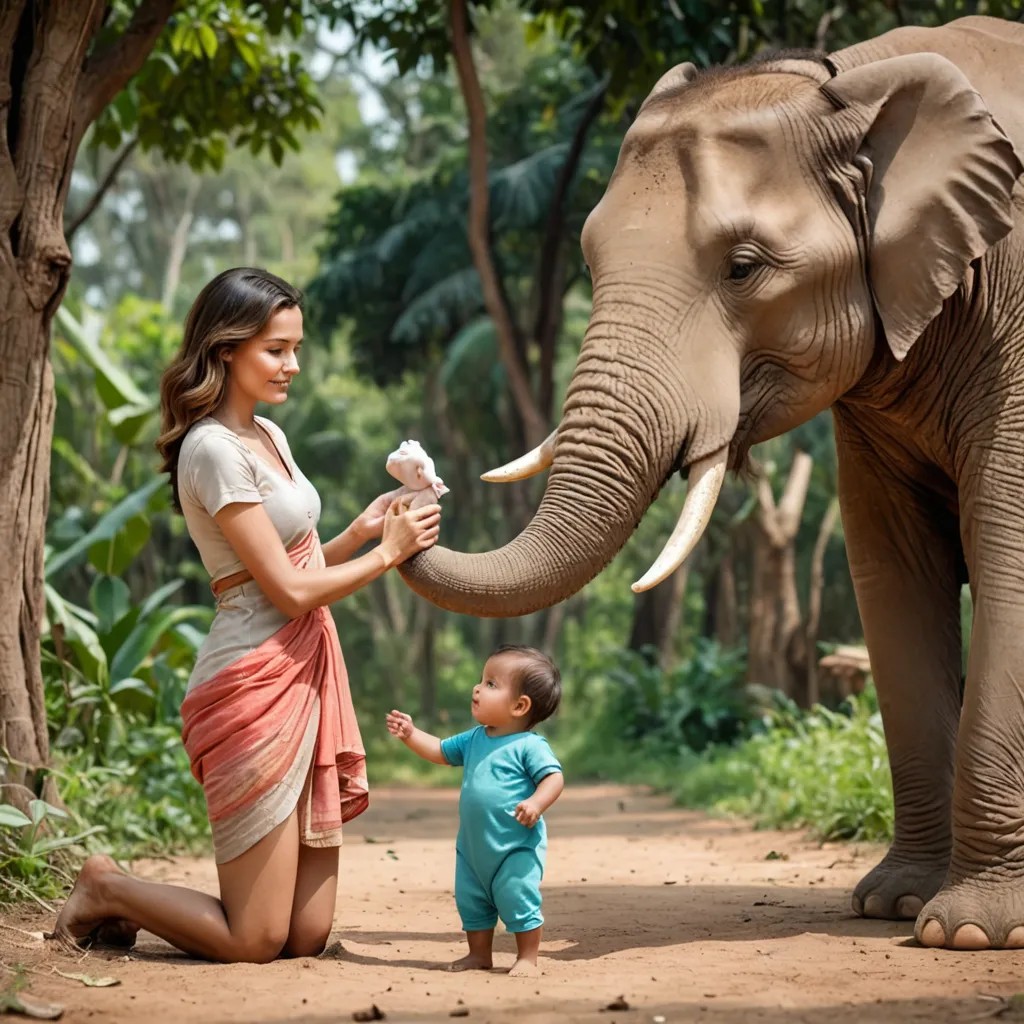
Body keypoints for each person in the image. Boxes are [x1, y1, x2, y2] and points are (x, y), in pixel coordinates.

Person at [51, 267, 441, 963]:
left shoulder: (269, 435)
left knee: (305, 935)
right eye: (275, 349)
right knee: (255, 939)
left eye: (296, 348)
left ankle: (121, 891)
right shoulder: (211, 450)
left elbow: (292, 563)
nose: (293, 364)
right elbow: (287, 594)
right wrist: (387, 555)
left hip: (305, 675)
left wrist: (358, 532)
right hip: (251, 682)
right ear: (226, 349)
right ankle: (106, 886)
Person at [386, 644, 564, 977]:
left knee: (517, 895)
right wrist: (411, 734)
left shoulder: (530, 746)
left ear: (519, 705)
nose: (477, 688)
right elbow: (439, 750)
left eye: (491, 684)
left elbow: (554, 778)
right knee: (471, 900)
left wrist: (536, 803)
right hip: (472, 848)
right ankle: (478, 954)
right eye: (482, 680)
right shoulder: (474, 739)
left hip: (515, 848)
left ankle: (527, 957)